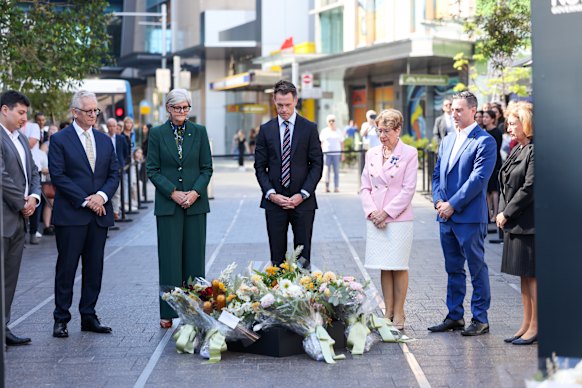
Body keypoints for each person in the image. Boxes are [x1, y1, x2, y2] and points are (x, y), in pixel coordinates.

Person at [48, 90, 120, 338]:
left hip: (99, 215)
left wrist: (101, 196)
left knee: (94, 268)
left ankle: (88, 315)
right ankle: (61, 318)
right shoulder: (60, 140)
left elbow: (114, 174)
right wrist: (86, 201)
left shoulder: (103, 140)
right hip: (71, 215)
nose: (93, 115)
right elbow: (58, 176)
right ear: (75, 112)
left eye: (95, 111)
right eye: (88, 111)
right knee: (67, 268)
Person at [428, 91, 496, 336]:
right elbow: (437, 174)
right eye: (452, 110)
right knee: (453, 269)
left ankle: (480, 318)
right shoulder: (447, 139)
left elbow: (478, 180)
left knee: (477, 268)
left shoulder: (484, 141)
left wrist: (452, 204)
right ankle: (454, 315)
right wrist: (438, 201)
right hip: (445, 216)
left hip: (468, 216)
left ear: (473, 111)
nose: (454, 114)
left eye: (459, 110)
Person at [146, 88, 213, 329]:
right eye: (177, 108)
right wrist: (173, 192)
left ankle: (197, 309)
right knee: (170, 260)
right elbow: (151, 169)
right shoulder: (157, 134)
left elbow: (207, 168)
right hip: (168, 206)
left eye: (185, 108)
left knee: (195, 259)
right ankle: (168, 311)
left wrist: (195, 192)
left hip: (196, 204)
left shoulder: (200, 132)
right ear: (168, 109)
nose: (182, 112)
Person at [254, 80, 323, 268]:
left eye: (288, 105)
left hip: (303, 203)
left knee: (303, 259)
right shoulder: (266, 130)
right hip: (274, 203)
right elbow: (260, 167)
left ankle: (303, 296)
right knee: (277, 259)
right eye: (279, 105)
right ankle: (277, 296)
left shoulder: (309, 128)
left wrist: (303, 194)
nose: (284, 109)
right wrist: (271, 194)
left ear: (296, 101)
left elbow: (317, 165)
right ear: (274, 101)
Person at [359, 109, 418, 330]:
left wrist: (387, 212)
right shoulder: (372, 153)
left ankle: (400, 313)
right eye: (379, 131)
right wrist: (372, 211)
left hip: (399, 219)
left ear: (398, 130)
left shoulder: (409, 153)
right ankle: (388, 311)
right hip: (375, 218)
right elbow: (364, 186)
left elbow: (408, 189)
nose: (382, 136)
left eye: (386, 131)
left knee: (399, 265)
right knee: (384, 265)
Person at [0, 90, 41, 346]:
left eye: (26, 113)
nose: (24, 118)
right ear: (5, 109)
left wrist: (34, 198)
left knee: (10, 278)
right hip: (5, 217)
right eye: (21, 112)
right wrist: (22, 202)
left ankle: (3, 326)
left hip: (18, 219)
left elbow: (34, 172)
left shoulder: (21, 139)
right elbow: (1, 176)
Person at [496, 102, 536, 345]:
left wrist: (507, 212)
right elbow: (505, 184)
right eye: (508, 124)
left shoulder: (534, 150)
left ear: (526, 123)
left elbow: (529, 187)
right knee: (522, 275)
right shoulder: (516, 149)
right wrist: (502, 212)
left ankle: (536, 326)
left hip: (529, 223)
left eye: (513, 123)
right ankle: (526, 322)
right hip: (514, 222)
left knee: (533, 277)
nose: (509, 128)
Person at [22, 116, 43, 244]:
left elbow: (30, 144)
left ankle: (33, 232)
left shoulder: (33, 127)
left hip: (34, 169)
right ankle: (21, 234)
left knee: (34, 200)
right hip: (19, 170)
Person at [105, 118, 129, 221]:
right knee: (109, 190)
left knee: (118, 191)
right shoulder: (104, 138)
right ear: (107, 127)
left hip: (119, 167)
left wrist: (122, 163)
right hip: (106, 168)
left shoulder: (121, 138)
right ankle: (111, 212)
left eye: (114, 126)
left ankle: (116, 211)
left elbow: (125, 152)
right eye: (110, 126)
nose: (112, 128)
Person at [482, 110, 503, 222]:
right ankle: (488, 213)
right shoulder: (484, 131)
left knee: (494, 190)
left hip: (495, 162)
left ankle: (495, 213)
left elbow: (496, 148)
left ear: (492, 119)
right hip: (486, 162)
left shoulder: (496, 132)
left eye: (487, 117)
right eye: (483, 117)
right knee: (487, 189)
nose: (484, 119)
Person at [319, 114, 344, 192]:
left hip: (336, 154)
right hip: (326, 154)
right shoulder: (324, 131)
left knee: (336, 171)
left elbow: (342, 143)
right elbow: (321, 143)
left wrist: (343, 154)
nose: (331, 122)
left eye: (333, 121)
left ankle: (336, 187)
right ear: (327, 122)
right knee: (326, 171)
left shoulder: (338, 131)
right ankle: (326, 187)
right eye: (330, 121)